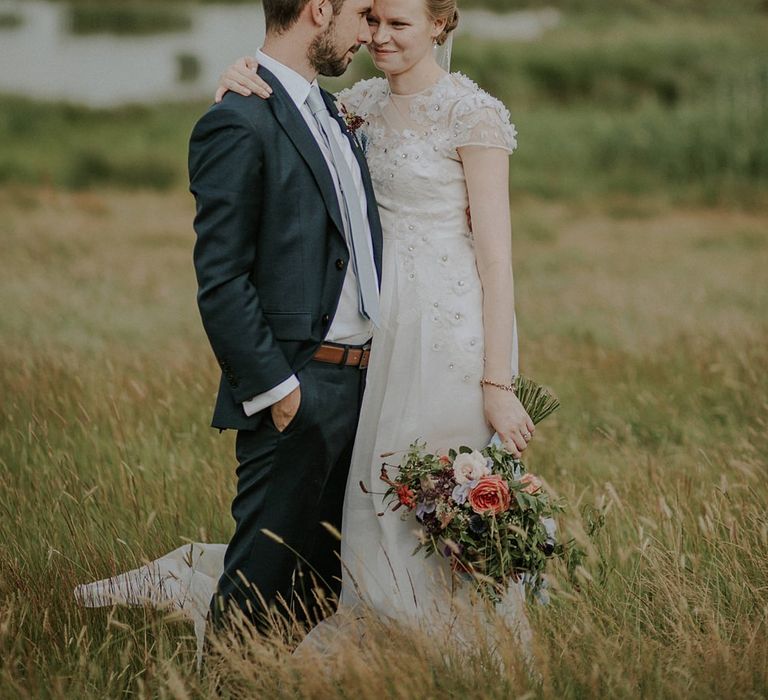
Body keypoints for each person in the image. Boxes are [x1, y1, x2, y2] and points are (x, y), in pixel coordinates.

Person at [76, 0, 536, 661]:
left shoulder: (467, 113)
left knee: (430, 499)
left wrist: (498, 380)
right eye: (370, 18)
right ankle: (325, 653)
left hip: (442, 338)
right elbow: (277, 121)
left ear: (441, 24)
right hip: (366, 348)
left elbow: (497, 257)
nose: (376, 35)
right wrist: (237, 74)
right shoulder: (357, 105)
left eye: (397, 23)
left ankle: (449, 651)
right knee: (361, 510)